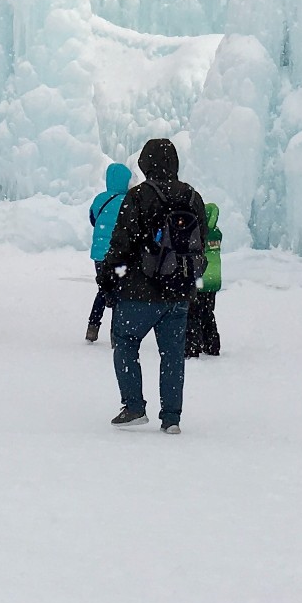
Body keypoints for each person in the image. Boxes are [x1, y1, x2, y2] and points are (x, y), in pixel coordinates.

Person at [96, 137, 207, 432]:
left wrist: (107, 277)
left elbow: (121, 243)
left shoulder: (139, 196)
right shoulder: (193, 197)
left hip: (140, 290)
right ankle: (171, 418)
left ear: (145, 163)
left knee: (126, 341)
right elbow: (201, 244)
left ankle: (134, 406)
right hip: (180, 291)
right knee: (172, 354)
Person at [85, 161, 131, 342]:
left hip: (99, 255)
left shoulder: (99, 199)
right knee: (120, 293)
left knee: (103, 290)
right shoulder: (127, 201)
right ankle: (116, 334)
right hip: (118, 254)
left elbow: (93, 219)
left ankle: (93, 326)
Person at [185, 201, 223, 357]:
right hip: (214, 279)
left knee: (193, 312)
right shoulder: (216, 233)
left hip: (200, 278)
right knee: (208, 312)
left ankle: (193, 346)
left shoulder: (198, 233)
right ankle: (212, 345)